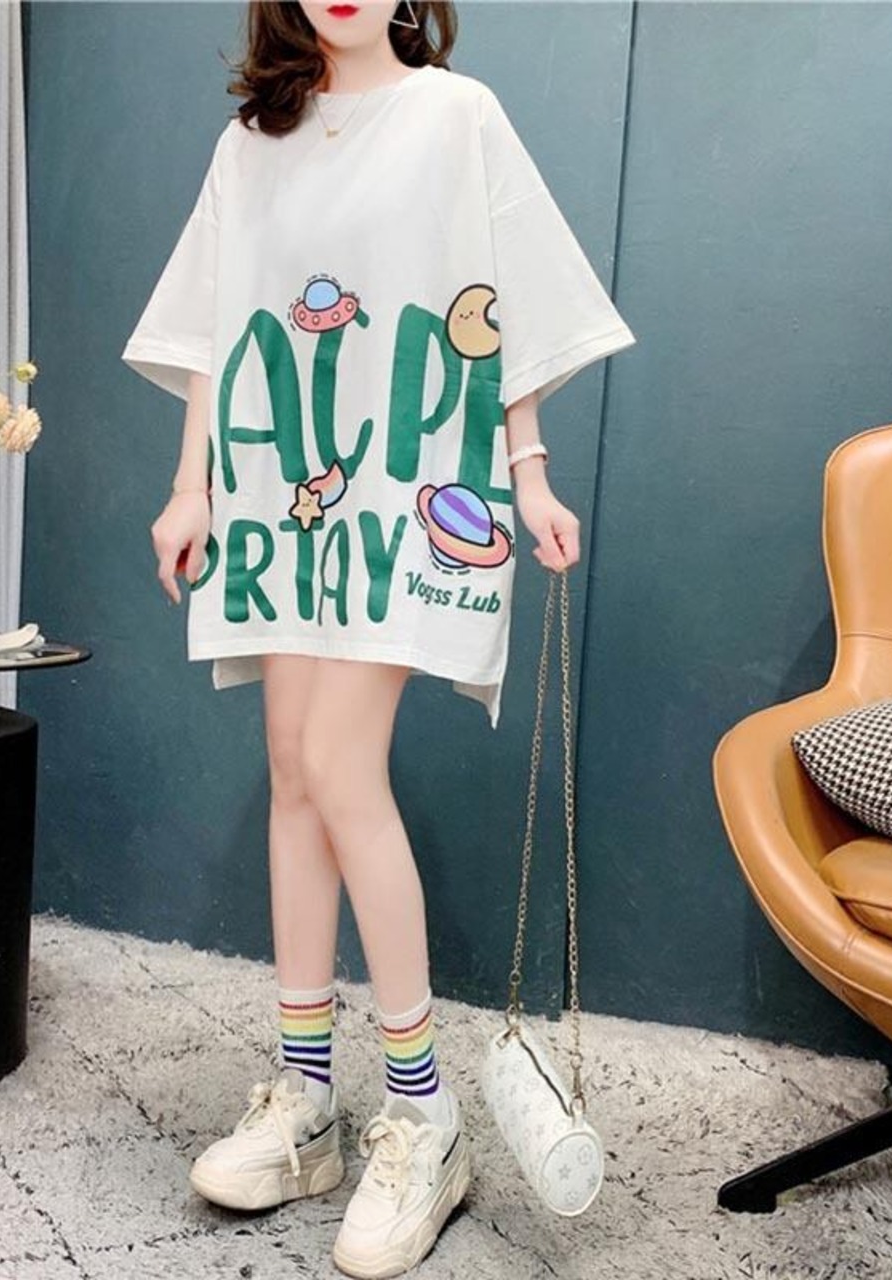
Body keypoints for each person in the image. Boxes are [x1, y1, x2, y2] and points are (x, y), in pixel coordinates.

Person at [121, 2, 636, 1274]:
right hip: (282, 494)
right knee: (293, 772)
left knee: (339, 767)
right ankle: (305, 1099)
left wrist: (526, 473)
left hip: (411, 494)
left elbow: (499, 303)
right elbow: (214, 330)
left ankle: (423, 1111)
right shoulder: (254, 141)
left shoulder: (456, 116)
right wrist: (190, 487)